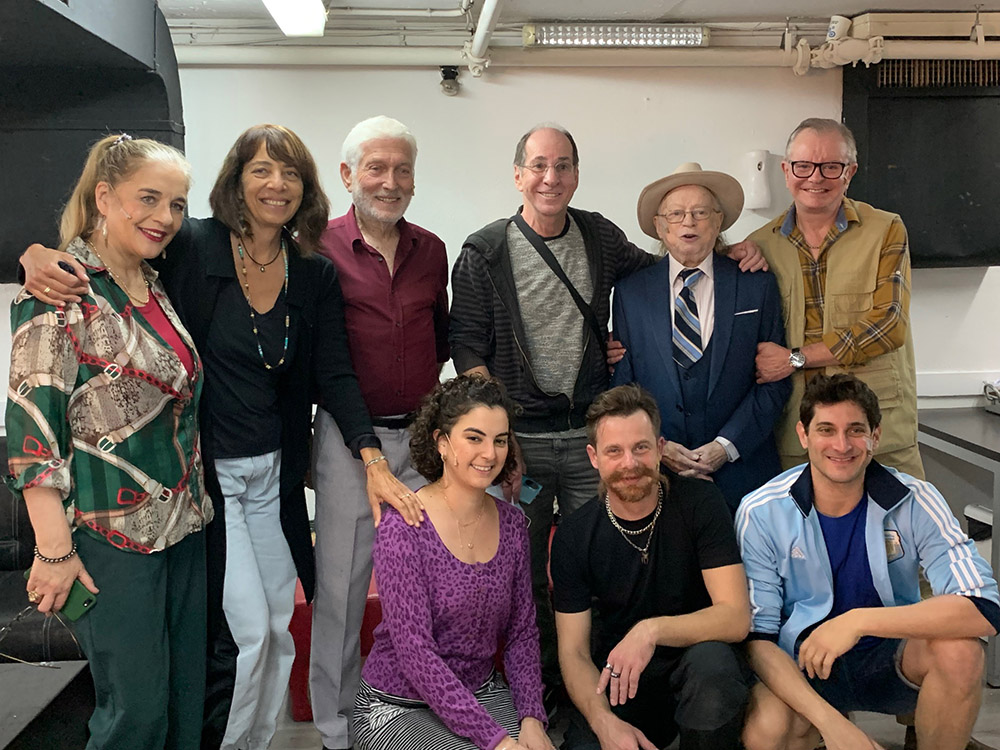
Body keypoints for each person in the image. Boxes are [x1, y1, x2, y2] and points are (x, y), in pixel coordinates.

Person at [19, 124, 418, 750]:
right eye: (261, 169)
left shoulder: (307, 273)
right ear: (236, 179)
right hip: (201, 481)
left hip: (254, 484)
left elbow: (335, 373)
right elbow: (103, 250)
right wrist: (35, 253)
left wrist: (371, 457)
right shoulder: (191, 247)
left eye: (290, 172)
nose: (277, 184)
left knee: (277, 630)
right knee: (243, 636)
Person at [450, 124, 768, 700]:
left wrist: (726, 249)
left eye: (563, 165)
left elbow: (671, 260)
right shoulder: (484, 251)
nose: (551, 177)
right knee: (521, 574)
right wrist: (499, 439)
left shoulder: (599, 236)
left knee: (605, 565)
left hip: (589, 440)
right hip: (520, 441)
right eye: (539, 165)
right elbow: (467, 347)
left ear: (576, 174)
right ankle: (538, 693)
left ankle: (601, 687)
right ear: (518, 175)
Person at [7, 134, 210, 749]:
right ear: (103, 196)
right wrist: (53, 553)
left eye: (177, 204)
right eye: (148, 198)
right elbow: (33, 433)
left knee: (182, 705)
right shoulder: (60, 290)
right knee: (134, 716)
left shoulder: (151, 282)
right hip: (107, 541)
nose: (165, 217)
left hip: (183, 528)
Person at [738, 373, 1000, 750]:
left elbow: (982, 607)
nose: (841, 445)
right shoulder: (761, 510)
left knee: (961, 653)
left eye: (856, 430)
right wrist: (833, 725)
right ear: (803, 435)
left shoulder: (916, 499)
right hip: (804, 662)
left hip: (890, 657)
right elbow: (758, 640)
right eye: (826, 430)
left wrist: (857, 621)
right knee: (767, 730)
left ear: (875, 437)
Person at [310, 115, 449, 750]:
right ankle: (337, 728)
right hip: (348, 442)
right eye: (376, 168)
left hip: (423, 442)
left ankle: (418, 713)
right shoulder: (317, 248)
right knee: (340, 589)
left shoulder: (433, 251)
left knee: (427, 588)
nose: (390, 182)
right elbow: (323, 360)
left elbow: (441, 340)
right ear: (347, 175)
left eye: (402, 170)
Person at [353, 374, 552, 750]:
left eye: (500, 440)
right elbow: (415, 653)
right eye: (474, 438)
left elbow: (523, 632)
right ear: (442, 442)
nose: (490, 454)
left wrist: (532, 718)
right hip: (397, 704)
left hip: (482, 692)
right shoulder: (404, 527)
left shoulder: (512, 525)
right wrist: (497, 741)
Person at [551, 384, 751, 750]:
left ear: (660, 449)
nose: (630, 463)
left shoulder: (701, 502)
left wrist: (650, 631)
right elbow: (573, 652)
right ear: (594, 457)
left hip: (696, 660)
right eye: (614, 451)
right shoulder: (574, 535)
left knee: (714, 668)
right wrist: (603, 722)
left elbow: (736, 618)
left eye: (640, 448)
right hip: (622, 676)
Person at [612, 162, 790, 512]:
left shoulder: (756, 284)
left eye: (700, 212)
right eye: (676, 214)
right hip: (660, 475)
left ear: (719, 221)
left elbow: (775, 380)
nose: (688, 223)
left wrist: (726, 446)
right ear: (660, 227)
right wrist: (659, 445)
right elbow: (624, 387)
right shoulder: (630, 293)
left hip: (744, 473)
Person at [751, 118, 922, 478]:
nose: (815, 178)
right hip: (799, 433)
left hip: (879, 429)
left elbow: (889, 325)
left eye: (831, 166)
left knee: (900, 516)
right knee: (802, 517)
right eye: (803, 166)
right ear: (786, 171)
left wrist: (795, 359)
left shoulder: (886, 229)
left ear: (850, 172)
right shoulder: (760, 245)